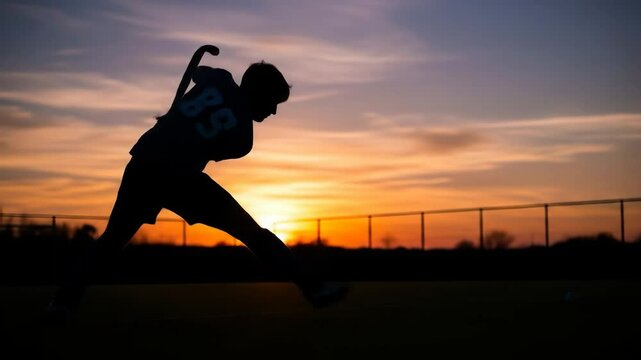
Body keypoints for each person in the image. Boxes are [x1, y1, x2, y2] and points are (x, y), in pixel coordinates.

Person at [45, 45, 347, 321]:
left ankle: (62, 303)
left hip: (143, 164)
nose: (273, 111)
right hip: (181, 178)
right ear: (260, 92)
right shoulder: (243, 138)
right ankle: (313, 288)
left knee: (110, 242)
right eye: (273, 102)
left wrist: (180, 115)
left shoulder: (217, 78)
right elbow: (210, 145)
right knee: (254, 234)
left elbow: (196, 73)